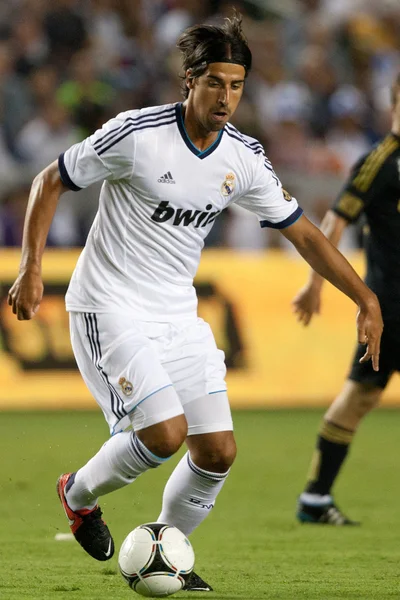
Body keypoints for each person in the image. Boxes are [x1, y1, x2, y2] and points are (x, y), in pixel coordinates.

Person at [8, 13, 382, 590]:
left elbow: (304, 232)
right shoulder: (137, 133)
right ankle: (78, 495)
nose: (226, 96)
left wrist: (364, 296)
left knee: (218, 451)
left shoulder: (242, 158)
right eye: (215, 83)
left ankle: (166, 552)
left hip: (177, 315)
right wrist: (32, 268)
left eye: (236, 85)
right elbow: (48, 181)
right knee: (163, 435)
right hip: (108, 307)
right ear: (189, 80)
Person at [293, 73, 400, 526]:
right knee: (358, 397)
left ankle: (315, 498)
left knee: (358, 397)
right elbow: (335, 222)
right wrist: (315, 284)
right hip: (390, 307)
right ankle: (315, 498)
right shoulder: (379, 162)